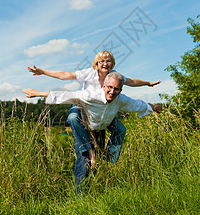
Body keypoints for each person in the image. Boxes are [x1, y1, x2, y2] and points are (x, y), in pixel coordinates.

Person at [23, 71, 162, 194]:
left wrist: (153, 107)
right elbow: (66, 95)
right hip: (84, 126)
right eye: (110, 87)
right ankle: (80, 196)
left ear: (121, 90)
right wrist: (38, 93)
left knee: (102, 157)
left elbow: (137, 104)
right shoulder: (91, 95)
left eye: (116, 89)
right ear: (103, 86)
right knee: (85, 159)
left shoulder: (120, 100)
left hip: (100, 128)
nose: (112, 92)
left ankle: (107, 169)